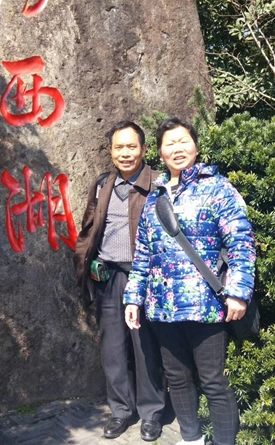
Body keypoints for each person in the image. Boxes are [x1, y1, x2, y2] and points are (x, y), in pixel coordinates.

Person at [123, 116, 256, 445]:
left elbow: (241, 243)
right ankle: (191, 439)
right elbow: (143, 254)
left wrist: (238, 292)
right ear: (160, 152)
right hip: (162, 308)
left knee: (213, 382)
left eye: (184, 141)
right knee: (177, 379)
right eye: (170, 143)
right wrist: (133, 298)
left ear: (195, 146)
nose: (177, 148)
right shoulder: (155, 198)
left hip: (205, 306)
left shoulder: (218, 188)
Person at [73, 121, 167, 441]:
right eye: (119, 147)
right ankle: (121, 411)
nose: (125, 153)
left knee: (146, 348)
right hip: (109, 277)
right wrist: (86, 265)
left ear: (144, 149)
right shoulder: (103, 185)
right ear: (111, 151)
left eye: (131, 146)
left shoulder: (159, 184)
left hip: (145, 278)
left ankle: (152, 413)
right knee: (113, 348)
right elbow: (89, 229)